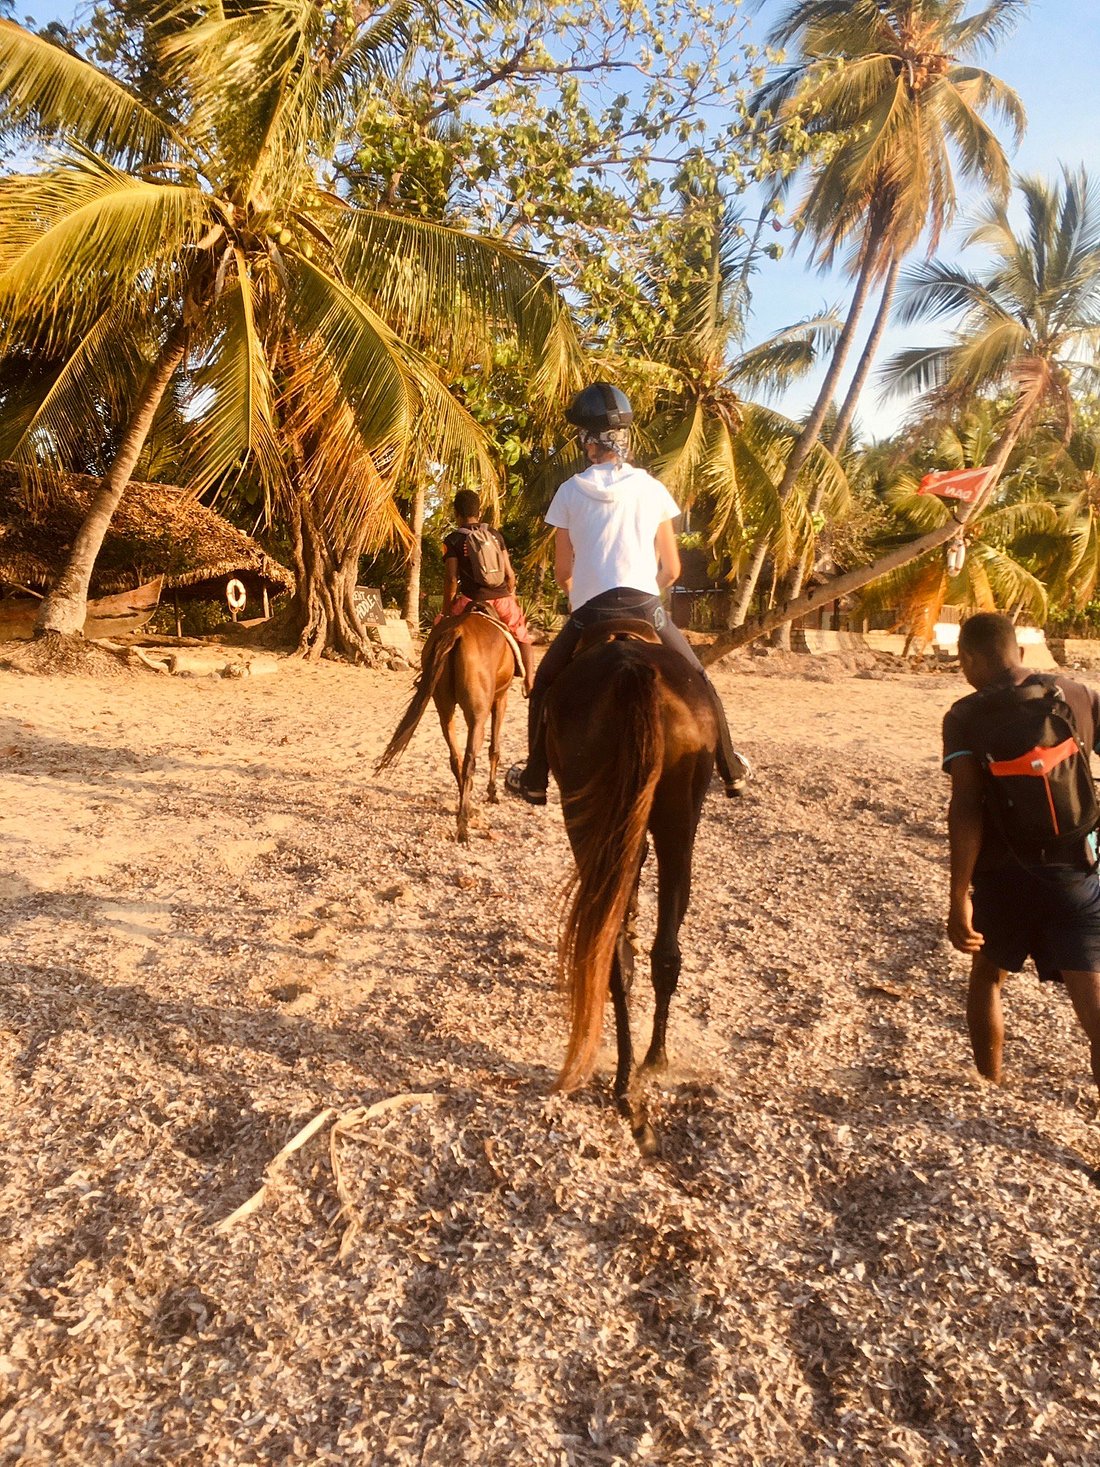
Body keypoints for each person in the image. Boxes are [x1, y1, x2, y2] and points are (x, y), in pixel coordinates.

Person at [505, 382, 751, 806]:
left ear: (588, 443)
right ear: (624, 439)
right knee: (698, 678)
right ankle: (730, 769)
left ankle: (534, 777)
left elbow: (565, 571)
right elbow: (671, 570)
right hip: (644, 606)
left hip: (591, 613)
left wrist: (578, 593)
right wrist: (644, 593)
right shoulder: (652, 488)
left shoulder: (568, 492)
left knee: (544, 682)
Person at [943, 611, 1100, 1099]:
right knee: (1095, 1010)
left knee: (989, 975)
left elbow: (965, 806)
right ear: (1021, 651)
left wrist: (957, 897)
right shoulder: (1078, 694)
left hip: (1003, 876)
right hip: (1075, 870)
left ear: (968, 658)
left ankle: (990, 1083)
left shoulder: (964, 716)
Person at [442, 490, 535, 694]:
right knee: (522, 634)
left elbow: (451, 579)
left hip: (470, 600)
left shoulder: (453, 540)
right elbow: (510, 575)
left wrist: (446, 611)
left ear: (456, 513)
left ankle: (431, 676)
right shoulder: (495, 535)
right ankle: (529, 679)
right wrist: (508, 595)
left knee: (440, 631)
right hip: (501, 599)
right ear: (479, 510)